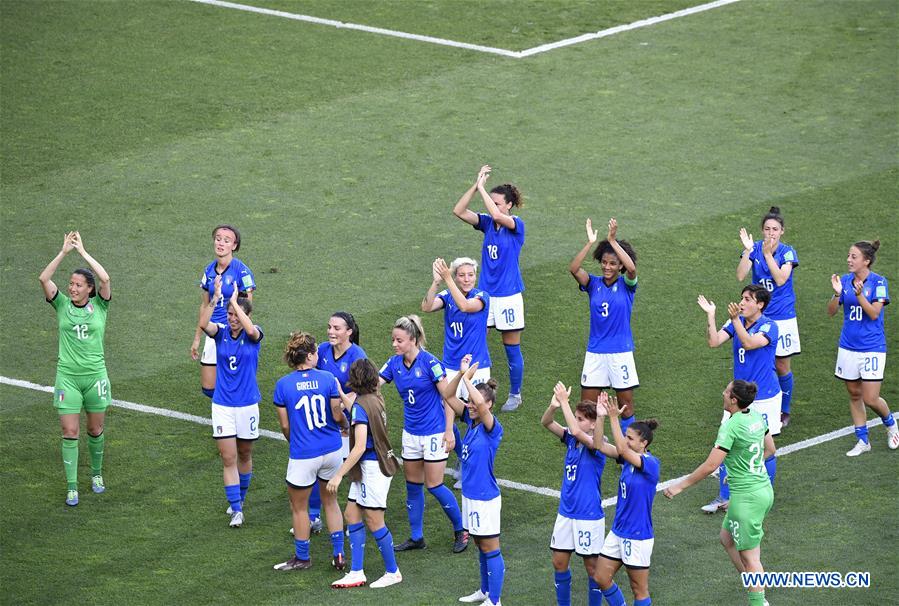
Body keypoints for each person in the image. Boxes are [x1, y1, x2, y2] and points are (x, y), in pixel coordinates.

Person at [664, 381, 776, 606]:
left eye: (726, 391)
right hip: (762, 489)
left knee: (751, 558)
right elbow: (770, 449)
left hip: (747, 498)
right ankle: (754, 584)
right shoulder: (755, 415)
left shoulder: (730, 427)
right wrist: (740, 471)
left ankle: (758, 599)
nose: (723, 394)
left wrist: (679, 486)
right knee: (726, 538)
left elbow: (709, 466)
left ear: (734, 400)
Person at [378, 315, 468, 553]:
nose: (394, 344)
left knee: (435, 484)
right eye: (394, 340)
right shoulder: (394, 363)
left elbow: (448, 397)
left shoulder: (430, 363)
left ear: (413, 339)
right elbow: (374, 384)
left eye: (399, 340)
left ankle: (461, 530)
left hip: (434, 433)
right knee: (413, 485)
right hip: (411, 433)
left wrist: (449, 431)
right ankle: (416, 537)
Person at [39, 232, 112, 506]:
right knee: (70, 431)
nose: (72, 288)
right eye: (71, 284)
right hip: (67, 377)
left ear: (89, 289)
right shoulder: (60, 304)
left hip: (95, 377)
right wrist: (63, 253)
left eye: (78, 285)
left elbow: (105, 278)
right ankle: (72, 486)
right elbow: (44, 279)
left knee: (95, 430)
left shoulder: (100, 306)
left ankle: (96, 474)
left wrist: (83, 252)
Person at [697, 285, 780, 513]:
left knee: (766, 446)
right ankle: (724, 498)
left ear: (760, 304)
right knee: (727, 444)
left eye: (747, 299)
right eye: (741, 298)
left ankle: (765, 491)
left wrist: (735, 320)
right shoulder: (737, 321)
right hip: (738, 396)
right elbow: (714, 342)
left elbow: (749, 343)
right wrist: (711, 316)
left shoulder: (770, 326)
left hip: (765, 397)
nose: (741, 303)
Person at [272, 333, 348, 570]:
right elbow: (337, 414)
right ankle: (338, 554)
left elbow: (285, 426)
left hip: (304, 454)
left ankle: (303, 558)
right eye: (315, 352)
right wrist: (345, 426)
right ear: (309, 355)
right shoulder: (327, 378)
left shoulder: (283, 384)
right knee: (331, 502)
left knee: (300, 507)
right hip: (332, 450)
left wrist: (294, 441)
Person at [453, 165, 525, 411]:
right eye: (491, 201)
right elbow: (459, 210)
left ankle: (515, 394)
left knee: (511, 347)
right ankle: (469, 391)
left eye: (497, 202)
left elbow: (496, 216)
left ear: (509, 206)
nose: (492, 206)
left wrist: (483, 189)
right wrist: (476, 186)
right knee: (474, 341)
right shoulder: (486, 224)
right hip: (485, 295)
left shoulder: (516, 225)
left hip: (508, 297)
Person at [328, 358, 403, 589]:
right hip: (375, 466)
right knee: (352, 514)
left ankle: (393, 571)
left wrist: (339, 474)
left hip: (372, 468)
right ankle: (357, 572)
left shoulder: (361, 405)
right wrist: (342, 394)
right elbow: (360, 414)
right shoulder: (375, 399)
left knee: (374, 519)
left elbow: (359, 446)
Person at [198, 276, 262, 528]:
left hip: (247, 404)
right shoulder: (220, 334)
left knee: (245, 453)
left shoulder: (254, 335)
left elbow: (250, 330)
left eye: (236, 314)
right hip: (223, 404)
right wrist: (216, 299)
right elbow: (204, 323)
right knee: (228, 457)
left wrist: (236, 301)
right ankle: (236, 509)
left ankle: (241, 498)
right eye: (230, 314)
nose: (232, 318)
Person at [422, 257, 491, 488]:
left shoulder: (482, 297)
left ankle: (474, 465)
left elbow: (465, 306)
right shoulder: (448, 294)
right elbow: (426, 306)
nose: (466, 279)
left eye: (470, 274)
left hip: (476, 367)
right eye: (461, 275)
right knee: (448, 416)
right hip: (451, 366)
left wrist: (449, 279)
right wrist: (436, 283)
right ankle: (463, 459)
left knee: (476, 415)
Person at [569, 217, 640, 434]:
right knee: (587, 408)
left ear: (619, 265)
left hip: (621, 353)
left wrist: (613, 241)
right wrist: (590, 243)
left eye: (612, 263)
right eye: (604, 262)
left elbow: (632, 269)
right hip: (595, 353)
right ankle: (588, 449)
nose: (607, 267)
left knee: (626, 408)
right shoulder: (593, 284)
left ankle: (627, 451)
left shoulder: (627, 286)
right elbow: (573, 268)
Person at [827, 240, 898, 455]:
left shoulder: (879, 282)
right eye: (849, 256)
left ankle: (891, 425)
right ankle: (863, 440)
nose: (849, 260)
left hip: (872, 347)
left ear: (866, 261)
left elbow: (874, 313)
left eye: (854, 257)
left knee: (870, 398)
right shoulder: (846, 280)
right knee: (854, 394)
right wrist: (838, 294)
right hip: (848, 346)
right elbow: (830, 312)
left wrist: (858, 295)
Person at [445, 357, 505, 606]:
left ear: (489, 404)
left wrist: (468, 379)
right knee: (481, 544)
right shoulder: (471, 422)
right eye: (468, 401)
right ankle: (484, 590)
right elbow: (448, 396)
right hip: (470, 495)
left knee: (491, 547)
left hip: (485, 497)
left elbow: (479, 403)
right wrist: (460, 377)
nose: (470, 405)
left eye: (474, 402)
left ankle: (496, 600)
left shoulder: (493, 428)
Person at [540, 382, 606, 606]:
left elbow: (576, 431)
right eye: (575, 417)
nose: (575, 422)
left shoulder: (598, 444)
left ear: (593, 423)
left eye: (581, 418)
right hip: (566, 512)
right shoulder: (571, 439)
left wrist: (566, 402)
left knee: (592, 568)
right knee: (559, 562)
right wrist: (554, 405)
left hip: (588, 514)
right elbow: (546, 422)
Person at [593, 393, 660, 606]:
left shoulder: (650, 464)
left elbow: (621, 448)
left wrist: (615, 416)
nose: (626, 441)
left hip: (637, 535)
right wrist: (601, 416)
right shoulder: (628, 461)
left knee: (639, 590)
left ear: (644, 443)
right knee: (601, 578)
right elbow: (599, 445)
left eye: (630, 438)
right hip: (618, 531)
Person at [737, 207, 800, 427]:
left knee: (781, 365)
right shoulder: (754, 249)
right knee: (760, 363)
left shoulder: (788, 252)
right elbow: (740, 275)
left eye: (775, 229)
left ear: (782, 231)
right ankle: (753, 406)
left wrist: (765, 254)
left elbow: (781, 279)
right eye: (766, 229)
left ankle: (784, 410)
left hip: (782, 316)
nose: (770, 233)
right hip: (758, 316)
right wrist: (747, 251)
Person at [311, 311, 367, 531]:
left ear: (349, 332)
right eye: (329, 327)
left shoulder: (357, 355)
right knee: (319, 466)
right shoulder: (323, 350)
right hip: (327, 420)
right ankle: (314, 516)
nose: (331, 332)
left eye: (336, 328)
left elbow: (361, 390)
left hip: (350, 421)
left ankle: (359, 512)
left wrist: (339, 407)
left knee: (353, 469)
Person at [191, 225, 255, 400]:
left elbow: (248, 307)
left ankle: (233, 415)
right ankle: (224, 415)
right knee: (208, 388)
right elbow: (204, 306)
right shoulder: (208, 271)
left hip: (231, 332)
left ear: (234, 246)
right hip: (212, 331)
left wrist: (241, 335)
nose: (221, 243)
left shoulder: (242, 272)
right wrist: (197, 338)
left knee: (233, 381)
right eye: (218, 239)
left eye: (226, 241)